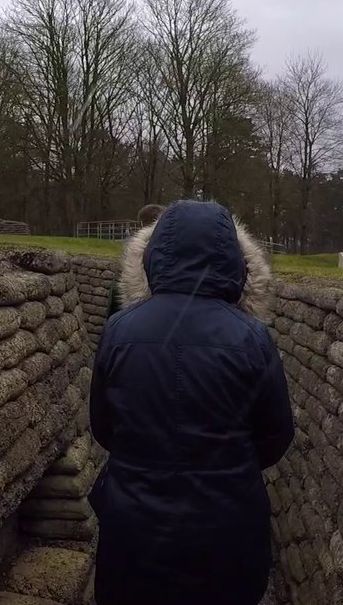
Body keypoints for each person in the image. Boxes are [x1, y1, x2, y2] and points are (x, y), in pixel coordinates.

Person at [88, 200, 294, 605]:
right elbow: (276, 435)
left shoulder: (119, 330)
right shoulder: (251, 338)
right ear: (235, 259)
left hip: (134, 527)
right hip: (227, 526)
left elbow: (103, 425)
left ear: (154, 254)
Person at [105, 203, 164, 319]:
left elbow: (115, 300)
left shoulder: (130, 259)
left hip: (132, 321)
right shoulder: (176, 254)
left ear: (141, 224)